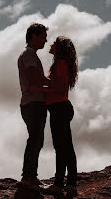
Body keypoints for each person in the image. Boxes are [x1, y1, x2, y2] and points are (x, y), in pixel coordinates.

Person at [38, 36, 79, 196]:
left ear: (60, 47)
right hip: (60, 107)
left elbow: (60, 87)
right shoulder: (60, 63)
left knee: (61, 147)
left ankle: (58, 184)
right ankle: (71, 184)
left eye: (54, 43)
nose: (51, 44)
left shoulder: (60, 63)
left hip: (59, 108)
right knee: (67, 147)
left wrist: (40, 88)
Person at [17, 23, 50, 189]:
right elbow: (33, 78)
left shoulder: (31, 55)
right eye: (43, 36)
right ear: (34, 36)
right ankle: (28, 177)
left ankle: (31, 176)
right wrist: (52, 86)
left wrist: (49, 84)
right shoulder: (29, 54)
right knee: (35, 140)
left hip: (34, 103)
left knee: (37, 140)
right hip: (33, 103)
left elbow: (39, 79)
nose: (45, 40)